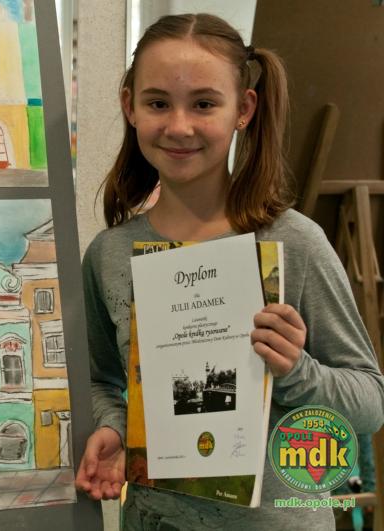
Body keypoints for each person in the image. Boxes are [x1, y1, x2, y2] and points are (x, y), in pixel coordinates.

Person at [74, 13, 384, 530]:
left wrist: (296, 371)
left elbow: (370, 403)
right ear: (130, 106)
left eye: (203, 104)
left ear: (243, 109)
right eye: (157, 103)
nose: (179, 126)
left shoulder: (295, 243)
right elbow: (99, 378)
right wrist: (113, 427)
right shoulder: (110, 254)